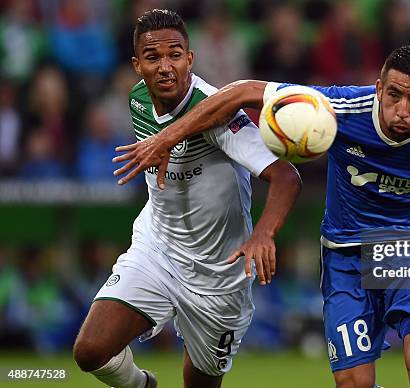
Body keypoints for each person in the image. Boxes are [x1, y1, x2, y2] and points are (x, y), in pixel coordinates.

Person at [113, 44, 410, 388]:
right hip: (346, 256)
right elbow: (242, 91)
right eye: (393, 95)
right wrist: (167, 137)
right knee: (353, 383)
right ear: (378, 88)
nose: (401, 110)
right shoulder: (338, 108)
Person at [72, 9, 302, 388]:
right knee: (90, 351)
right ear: (137, 65)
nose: (165, 67)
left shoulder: (219, 113)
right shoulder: (139, 100)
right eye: (153, 57)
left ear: (190, 59)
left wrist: (263, 233)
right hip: (158, 250)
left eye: (175, 55)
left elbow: (286, 176)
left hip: (220, 274)